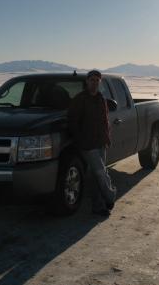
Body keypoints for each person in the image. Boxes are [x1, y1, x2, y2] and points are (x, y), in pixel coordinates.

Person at [68, 69, 117, 216]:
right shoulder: (80, 99)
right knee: (101, 173)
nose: (94, 83)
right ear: (87, 81)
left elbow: (105, 121)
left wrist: (107, 138)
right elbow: (72, 122)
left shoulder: (101, 98)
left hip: (100, 142)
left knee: (97, 175)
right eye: (92, 80)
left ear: (99, 83)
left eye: (97, 80)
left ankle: (98, 206)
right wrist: (80, 140)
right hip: (88, 144)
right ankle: (110, 197)